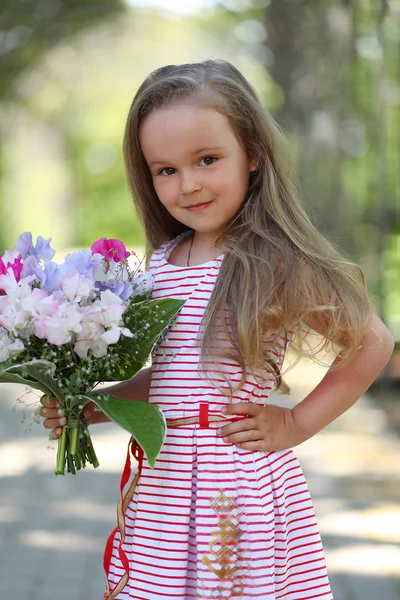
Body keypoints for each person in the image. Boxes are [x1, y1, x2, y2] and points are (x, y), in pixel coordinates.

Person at [40, 60, 394, 600]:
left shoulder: (273, 260)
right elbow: (173, 379)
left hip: (237, 480)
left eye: (207, 160)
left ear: (252, 153)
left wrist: (296, 423)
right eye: (165, 170)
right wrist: (92, 404)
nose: (189, 185)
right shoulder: (161, 263)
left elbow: (373, 344)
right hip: (166, 480)